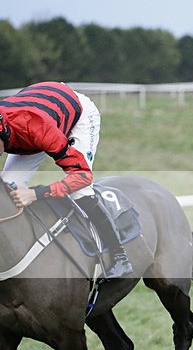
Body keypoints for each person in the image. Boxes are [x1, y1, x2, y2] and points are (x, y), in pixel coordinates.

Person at [0, 81, 133, 278]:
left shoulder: (38, 130)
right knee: (8, 186)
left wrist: (35, 194)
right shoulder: (9, 128)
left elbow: (82, 176)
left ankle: (120, 256)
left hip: (77, 116)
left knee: (80, 191)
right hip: (36, 119)